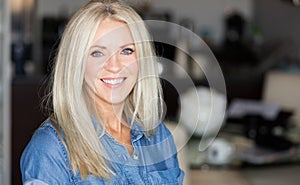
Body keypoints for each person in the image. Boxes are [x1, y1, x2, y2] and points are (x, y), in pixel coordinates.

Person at [20, 0, 184, 184]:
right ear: (76, 64)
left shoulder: (157, 135)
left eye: (127, 51)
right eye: (97, 53)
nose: (114, 66)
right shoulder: (51, 148)